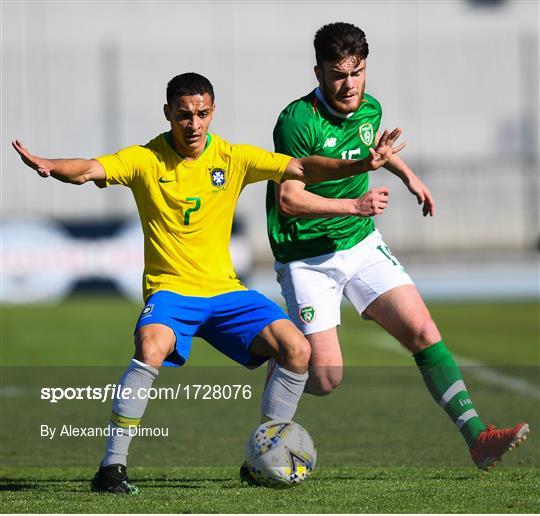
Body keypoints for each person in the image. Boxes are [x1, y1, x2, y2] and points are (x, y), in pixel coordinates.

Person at [12, 72, 407, 494]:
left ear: (212, 112)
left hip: (225, 291)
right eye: (184, 115)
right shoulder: (145, 159)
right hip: (172, 291)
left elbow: (301, 166)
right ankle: (111, 468)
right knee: (150, 346)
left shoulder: (232, 157)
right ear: (168, 114)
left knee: (298, 348)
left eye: (202, 114)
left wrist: (362, 165)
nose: (194, 124)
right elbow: (90, 169)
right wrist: (53, 167)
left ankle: (262, 457)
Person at [265, 22, 529, 470]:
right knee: (325, 377)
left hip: (362, 243)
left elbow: (372, 149)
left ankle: (478, 437)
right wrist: (354, 203)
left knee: (424, 332)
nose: (349, 84)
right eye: (338, 74)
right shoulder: (295, 121)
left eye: (357, 72)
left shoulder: (368, 108)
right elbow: (290, 198)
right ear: (319, 72)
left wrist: (408, 177)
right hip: (308, 259)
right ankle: (282, 361)